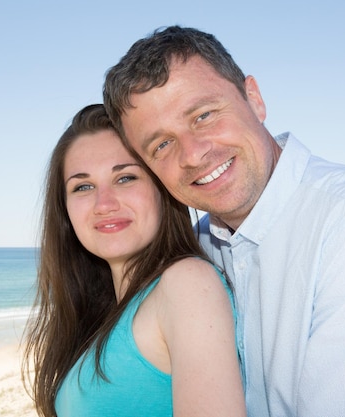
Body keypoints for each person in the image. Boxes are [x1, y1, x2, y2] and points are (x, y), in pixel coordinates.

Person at [102, 26, 345, 416]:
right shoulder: (197, 249)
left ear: (254, 99)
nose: (193, 154)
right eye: (162, 144)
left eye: (203, 116)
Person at [21, 104, 246, 417]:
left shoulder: (186, 284)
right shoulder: (109, 316)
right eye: (83, 186)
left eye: (125, 178)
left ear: (161, 188)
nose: (105, 204)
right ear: (66, 211)